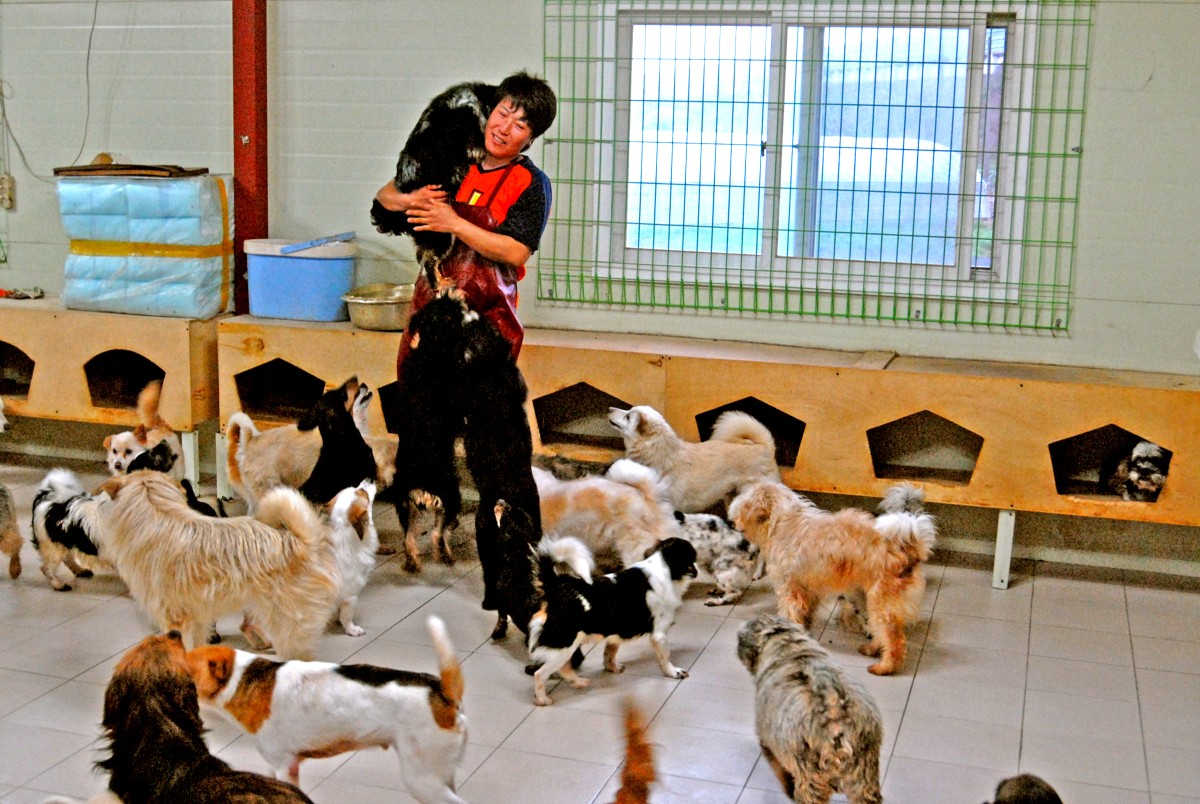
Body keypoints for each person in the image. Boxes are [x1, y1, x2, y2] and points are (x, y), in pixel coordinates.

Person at [374, 71, 557, 368]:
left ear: (531, 138)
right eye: (503, 113)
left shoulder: (532, 183)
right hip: (429, 312)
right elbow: (385, 196)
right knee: (417, 406)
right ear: (490, 110)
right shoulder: (456, 159)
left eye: (520, 124)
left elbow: (517, 251)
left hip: (484, 325)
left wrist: (454, 223)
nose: (504, 128)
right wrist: (411, 200)